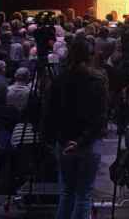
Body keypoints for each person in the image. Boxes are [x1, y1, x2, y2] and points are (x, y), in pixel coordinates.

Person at [46, 36, 109, 219]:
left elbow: (50, 113)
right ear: (88, 55)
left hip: (64, 141)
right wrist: (81, 141)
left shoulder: (58, 80)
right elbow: (100, 117)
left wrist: (56, 139)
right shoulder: (97, 80)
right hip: (88, 142)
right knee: (83, 194)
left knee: (66, 192)